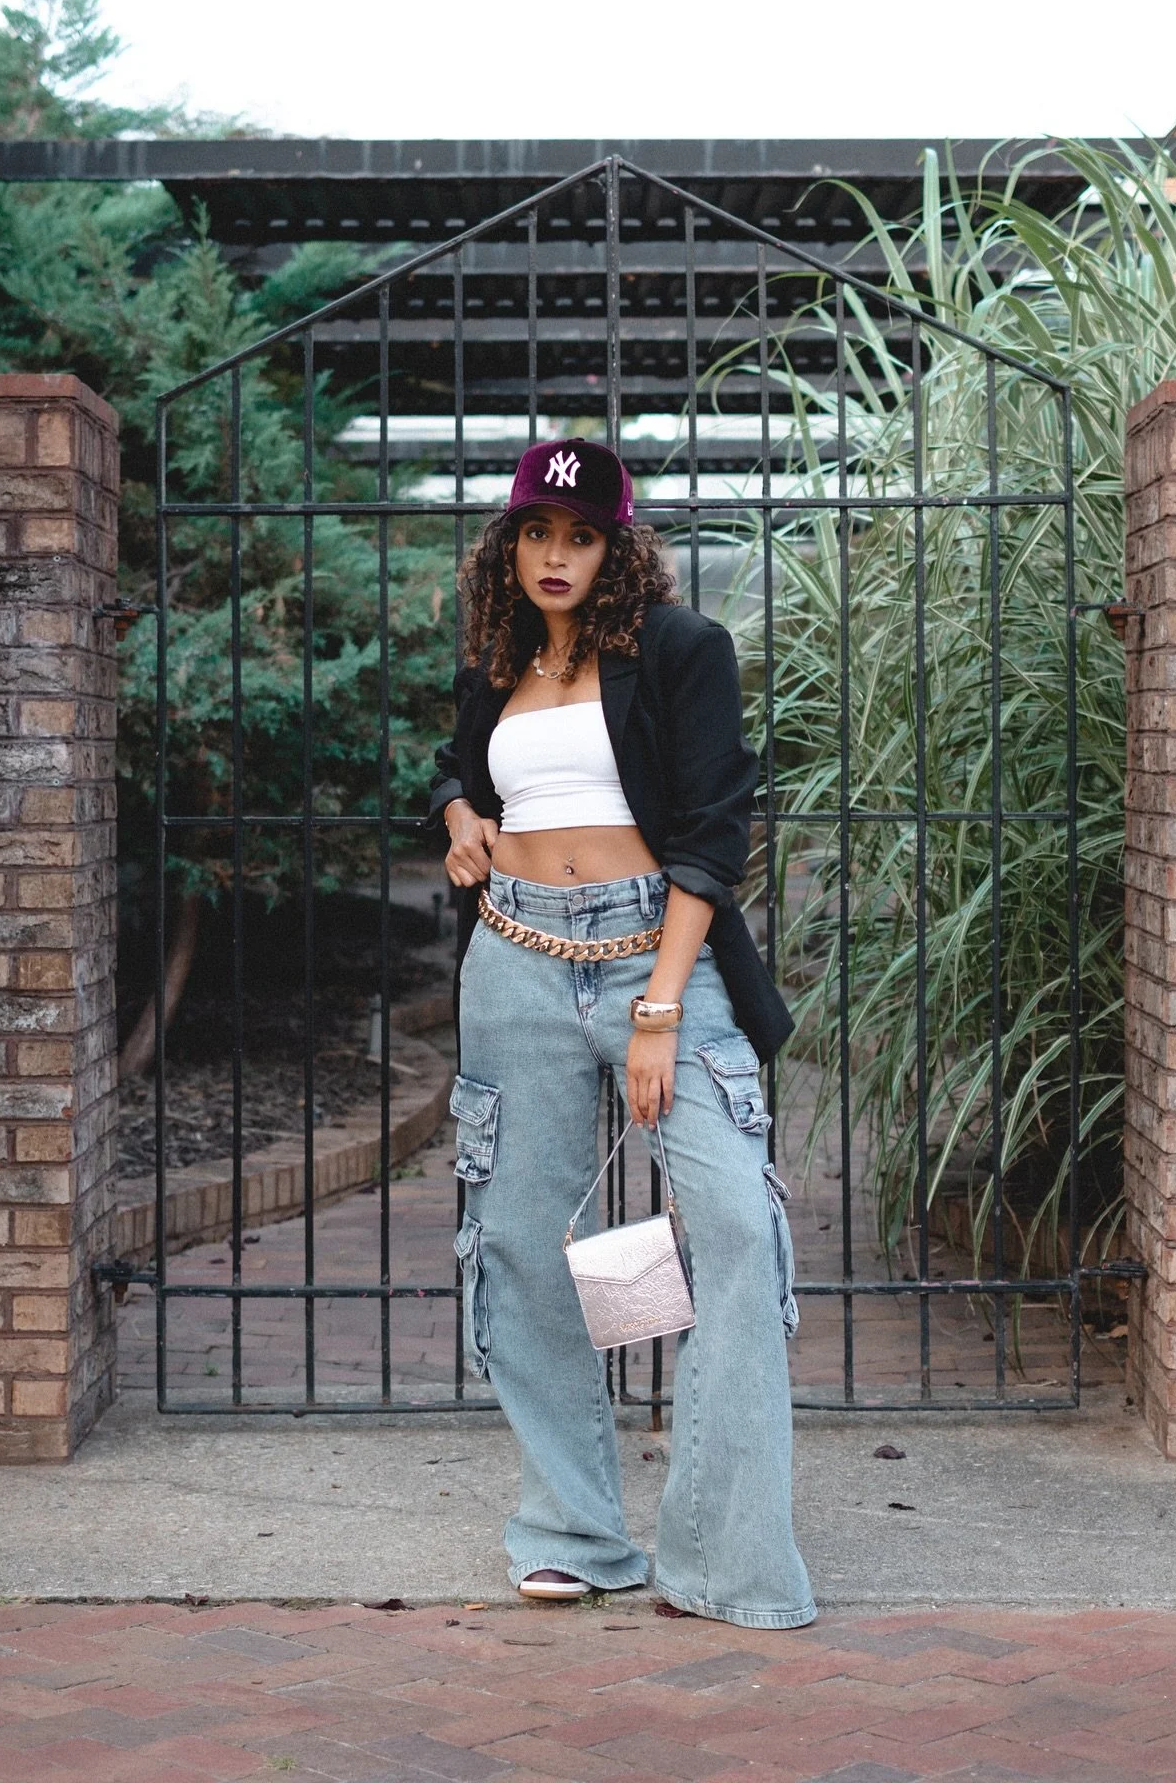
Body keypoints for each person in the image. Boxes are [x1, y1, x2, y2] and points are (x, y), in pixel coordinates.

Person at [427, 437, 815, 1630]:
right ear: (510, 542)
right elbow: (457, 764)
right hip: (516, 960)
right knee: (524, 1241)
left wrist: (659, 1009)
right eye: (538, 534)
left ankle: (721, 1559)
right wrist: (458, 817)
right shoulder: (498, 657)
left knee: (739, 1229)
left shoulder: (684, 651)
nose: (556, 556)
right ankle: (574, 1532)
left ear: (618, 546)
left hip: (660, 957)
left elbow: (713, 830)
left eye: (581, 536)